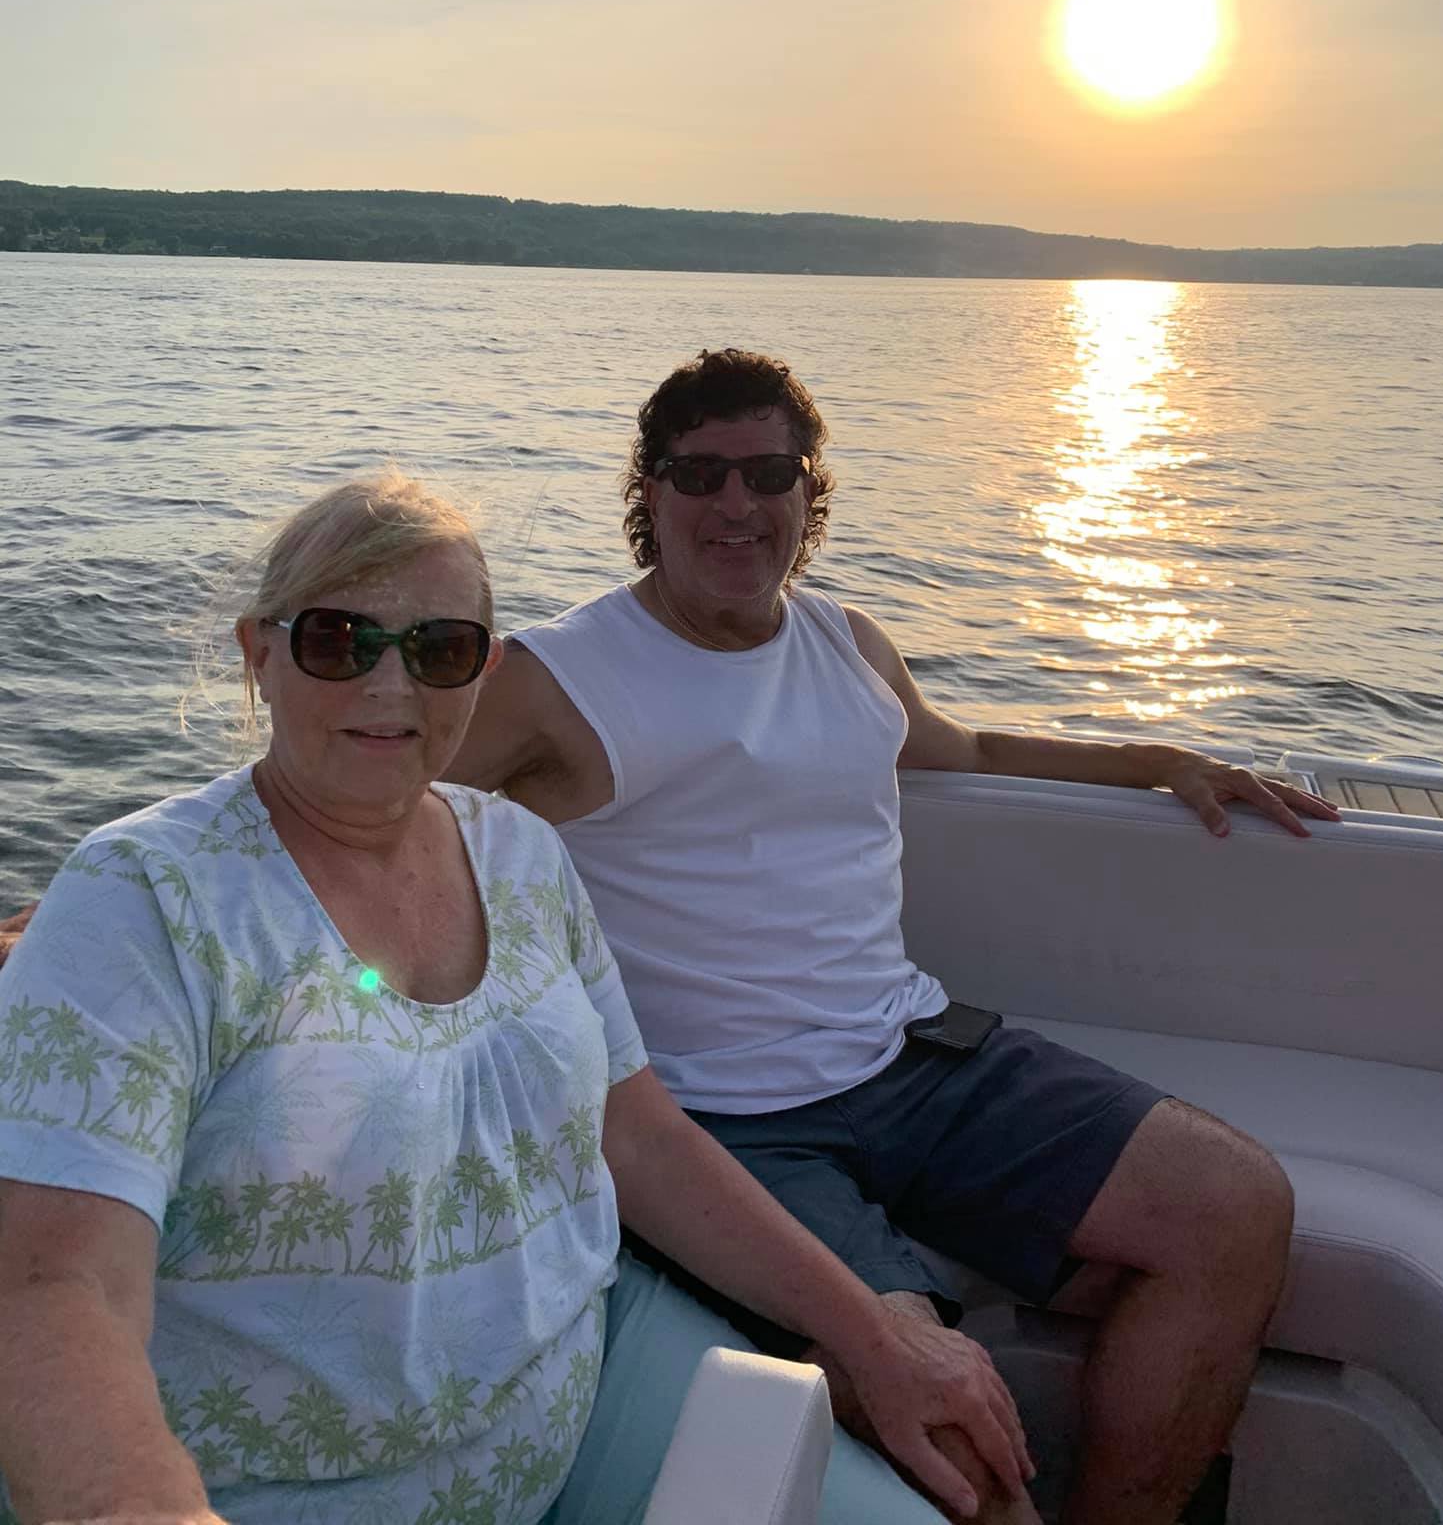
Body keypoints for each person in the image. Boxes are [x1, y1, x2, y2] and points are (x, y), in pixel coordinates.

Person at [0, 471, 1030, 1525]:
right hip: (287, 1479)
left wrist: (873, 1333)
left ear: (484, 669)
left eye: (439, 648)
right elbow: (56, 1285)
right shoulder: (144, 899)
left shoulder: (520, 851)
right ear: (258, 653)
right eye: (337, 640)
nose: (391, 684)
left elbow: (641, 1139)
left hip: (589, 1375)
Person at [445, 348, 1342, 1525]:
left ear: (809, 493)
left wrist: (1158, 759)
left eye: (770, 472)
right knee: (941, 1408)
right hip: (722, 1122)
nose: (735, 503)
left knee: (1235, 1203)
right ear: (648, 493)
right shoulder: (555, 677)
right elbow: (375, 814)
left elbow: (961, 747)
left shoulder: (848, 641)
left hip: (913, 1056)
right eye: (699, 473)